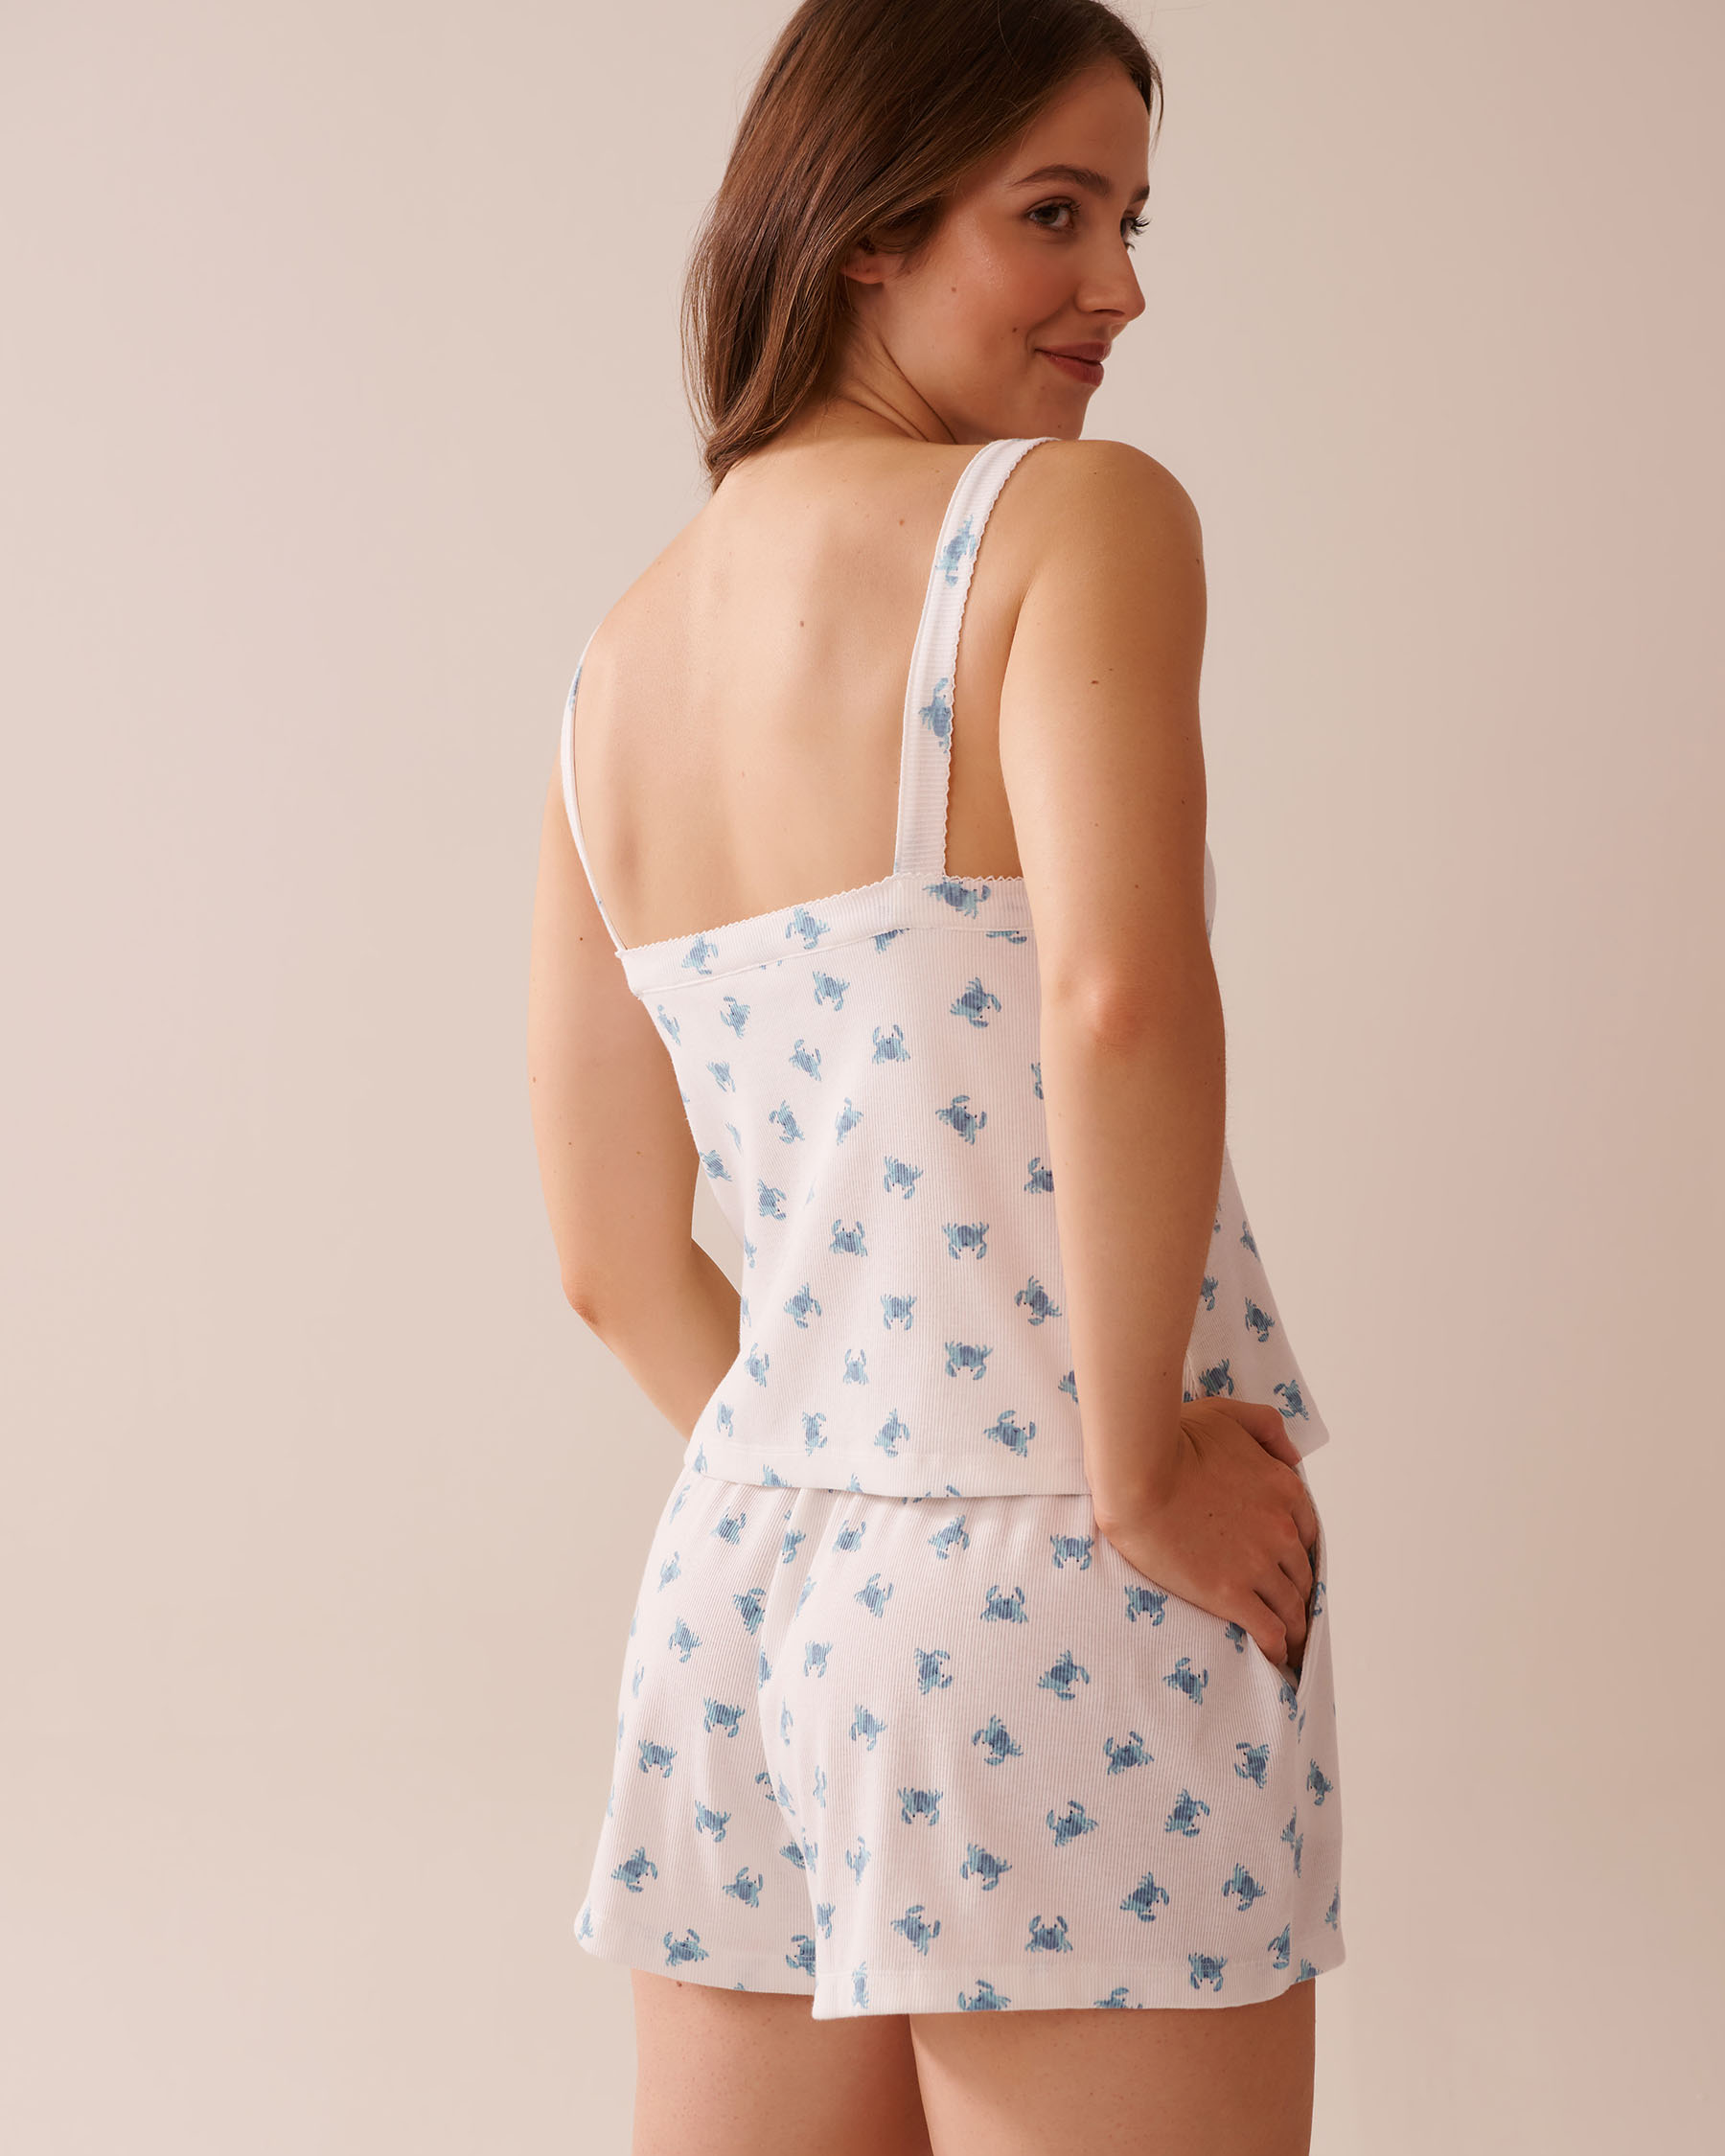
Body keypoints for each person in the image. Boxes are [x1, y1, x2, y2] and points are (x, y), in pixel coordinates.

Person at [526, 3, 1344, 2148]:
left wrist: (853, 1479)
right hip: (1058, 1573)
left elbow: (610, 1257)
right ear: (865, 223)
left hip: (746, 1589)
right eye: (1052, 214)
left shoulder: (619, 660)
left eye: (1133, 220)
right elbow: (1120, 995)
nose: (1121, 287)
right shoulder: (1068, 523)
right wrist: (1131, 1472)